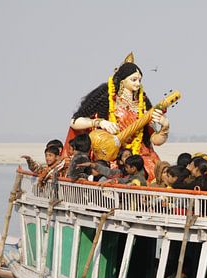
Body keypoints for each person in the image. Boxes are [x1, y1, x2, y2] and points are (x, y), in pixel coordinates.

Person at [68, 53, 170, 184]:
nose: (138, 84)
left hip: (139, 157)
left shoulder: (142, 104)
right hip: (111, 155)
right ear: (122, 81)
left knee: (154, 174)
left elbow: (155, 140)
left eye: (139, 80)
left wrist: (165, 127)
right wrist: (100, 122)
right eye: (134, 80)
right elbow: (74, 122)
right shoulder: (107, 98)